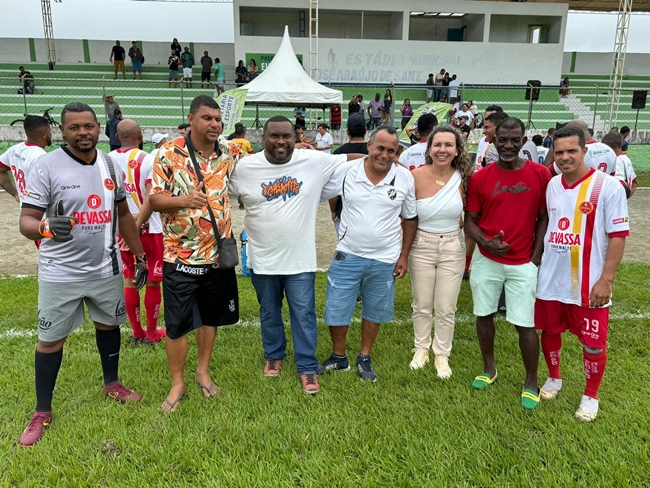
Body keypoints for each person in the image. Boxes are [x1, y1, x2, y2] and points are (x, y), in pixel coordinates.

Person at [17, 102, 147, 446]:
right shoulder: (46, 166)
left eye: (88, 126)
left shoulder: (110, 164)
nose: (83, 133)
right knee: (50, 340)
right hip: (61, 272)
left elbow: (124, 215)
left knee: (109, 326)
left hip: (105, 268)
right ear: (62, 131)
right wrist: (45, 227)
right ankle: (42, 410)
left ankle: (112, 383)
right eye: (74, 127)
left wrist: (139, 255)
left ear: (98, 128)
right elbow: (26, 221)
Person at [228, 115, 363, 394]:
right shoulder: (245, 167)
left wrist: (384, 156)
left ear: (295, 137)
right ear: (262, 138)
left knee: (303, 314)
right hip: (262, 257)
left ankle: (306, 365)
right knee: (269, 311)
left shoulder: (312, 160)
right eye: (274, 136)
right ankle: (274, 354)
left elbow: (350, 159)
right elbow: (216, 185)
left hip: (300, 259)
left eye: (286, 136)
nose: (281, 141)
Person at [149, 95, 244, 412]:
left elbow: (264, 161)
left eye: (218, 119)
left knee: (210, 318)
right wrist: (185, 201)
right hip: (180, 257)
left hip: (218, 256)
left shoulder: (229, 152)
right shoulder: (168, 153)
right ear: (191, 119)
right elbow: (155, 200)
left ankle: (203, 371)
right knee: (177, 325)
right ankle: (177, 382)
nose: (215, 124)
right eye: (207, 118)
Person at [534, 125, 629, 422]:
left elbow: (618, 236)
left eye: (571, 151)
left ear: (585, 150)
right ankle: (554, 378)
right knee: (549, 331)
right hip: (552, 278)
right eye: (559, 152)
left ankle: (590, 395)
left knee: (592, 343)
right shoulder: (552, 184)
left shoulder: (608, 186)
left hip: (588, 281)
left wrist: (606, 280)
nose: (564, 157)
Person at [464, 117, 551, 411]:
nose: (509, 146)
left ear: (524, 141)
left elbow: (544, 218)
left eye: (515, 140)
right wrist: (486, 243)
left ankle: (531, 381)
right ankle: (489, 368)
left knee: (524, 324)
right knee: (484, 314)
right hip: (487, 259)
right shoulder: (481, 178)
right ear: (494, 141)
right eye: (503, 140)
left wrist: (535, 257)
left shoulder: (540, 174)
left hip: (523, 262)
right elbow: (469, 221)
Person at [318, 126, 417, 382]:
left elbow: (410, 218)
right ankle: (339, 357)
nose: (384, 155)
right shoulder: (347, 171)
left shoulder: (404, 177)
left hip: (385, 258)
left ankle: (364, 357)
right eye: (380, 148)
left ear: (396, 153)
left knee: (374, 310)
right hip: (347, 253)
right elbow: (320, 191)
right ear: (369, 146)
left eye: (391, 151)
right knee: (337, 307)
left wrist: (403, 256)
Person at [408, 126, 473, 375]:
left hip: (452, 246)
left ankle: (442, 354)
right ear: (429, 149)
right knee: (422, 303)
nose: (442, 150)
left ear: (457, 150)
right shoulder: (414, 177)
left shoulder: (464, 179)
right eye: (437, 145)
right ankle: (421, 349)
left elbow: (469, 216)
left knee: (446, 306)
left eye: (448, 145)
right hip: (421, 245)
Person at [109, 119, 166, 345]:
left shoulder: (106, 160)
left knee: (129, 280)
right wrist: (139, 220)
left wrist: (125, 224)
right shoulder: (149, 159)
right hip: (150, 228)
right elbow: (151, 197)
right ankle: (151, 333)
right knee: (152, 280)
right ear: (141, 137)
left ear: (116, 138)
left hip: (121, 231)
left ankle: (137, 332)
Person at [0, 116, 51, 205]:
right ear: (44, 134)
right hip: (42, 211)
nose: (51, 134)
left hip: (26, 210)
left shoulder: (15, 149)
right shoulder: (41, 158)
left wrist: (16, 194)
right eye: (50, 131)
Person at [603, 131, 637, 197]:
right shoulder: (626, 159)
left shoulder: (616, 161)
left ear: (608, 147)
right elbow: (634, 183)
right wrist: (625, 199)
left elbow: (620, 185)